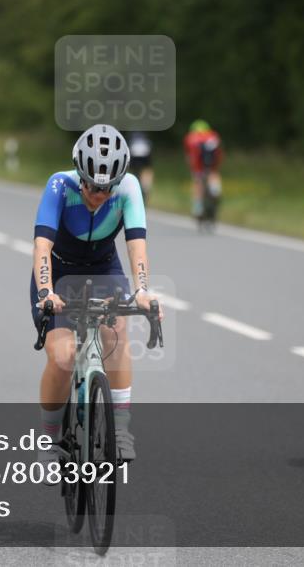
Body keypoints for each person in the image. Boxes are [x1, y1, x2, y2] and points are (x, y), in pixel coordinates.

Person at [30, 124, 163, 473]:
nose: (97, 194)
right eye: (90, 185)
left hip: (104, 269)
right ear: (79, 173)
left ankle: (120, 429)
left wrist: (143, 290)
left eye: (106, 187)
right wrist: (46, 292)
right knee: (62, 358)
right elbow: (43, 246)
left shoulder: (130, 187)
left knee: (115, 336)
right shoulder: (59, 184)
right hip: (59, 272)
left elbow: (136, 244)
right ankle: (48, 441)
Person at [183, 120, 223, 220]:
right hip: (212, 165)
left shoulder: (190, 138)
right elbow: (219, 154)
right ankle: (215, 189)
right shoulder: (213, 135)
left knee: (197, 182)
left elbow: (189, 157)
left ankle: (198, 207)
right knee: (213, 174)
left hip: (198, 166)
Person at [128, 131, 154, 204]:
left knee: (133, 174)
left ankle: (134, 191)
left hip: (134, 159)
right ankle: (145, 189)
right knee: (146, 172)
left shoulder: (132, 139)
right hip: (144, 159)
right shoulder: (146, 141)